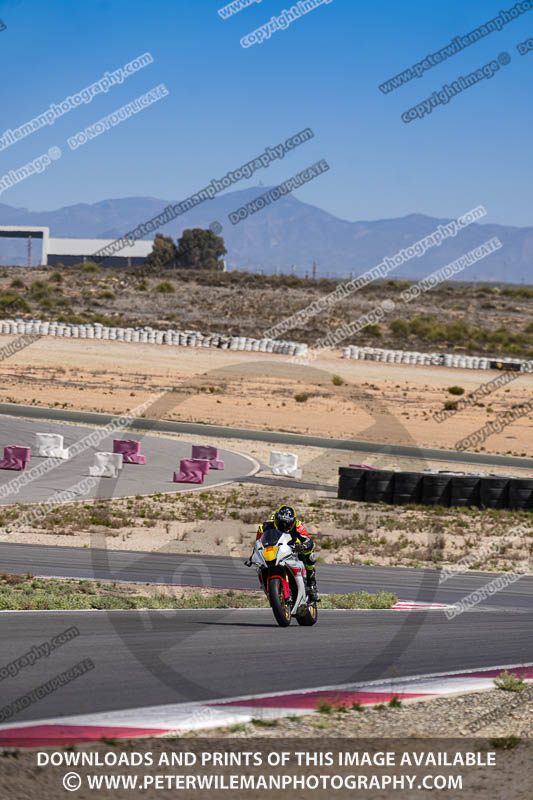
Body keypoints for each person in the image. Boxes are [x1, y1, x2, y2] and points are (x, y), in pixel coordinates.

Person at [255, 504, 318, 600]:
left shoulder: (297, 525)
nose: (284, 526)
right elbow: (258, 543)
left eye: (287, 524)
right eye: (281, 524)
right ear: (276, 519)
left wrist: (304, 546)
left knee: (310, 555)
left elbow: (309, 541)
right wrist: (255, 554)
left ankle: (311, 583)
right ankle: (267, 586)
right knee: (259, 564)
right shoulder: (265, 526)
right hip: (275, 548)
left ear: (293, 521)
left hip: (292, 546)